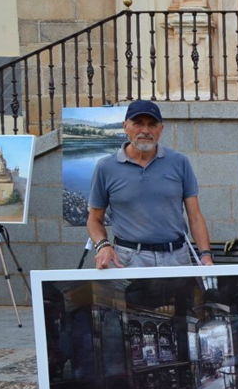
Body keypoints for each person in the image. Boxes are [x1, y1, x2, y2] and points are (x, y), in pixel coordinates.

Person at [87, 100, 214, 269]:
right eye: (138, 123)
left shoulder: (179, 162)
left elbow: (195, 216)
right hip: (129, 260)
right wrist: (103, 245)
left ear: (161, 129)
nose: (145, 131)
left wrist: (205, 255)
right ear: (125, 126)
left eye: (152, 124)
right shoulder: (106, 167)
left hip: (176, 258)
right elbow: (94, 219)